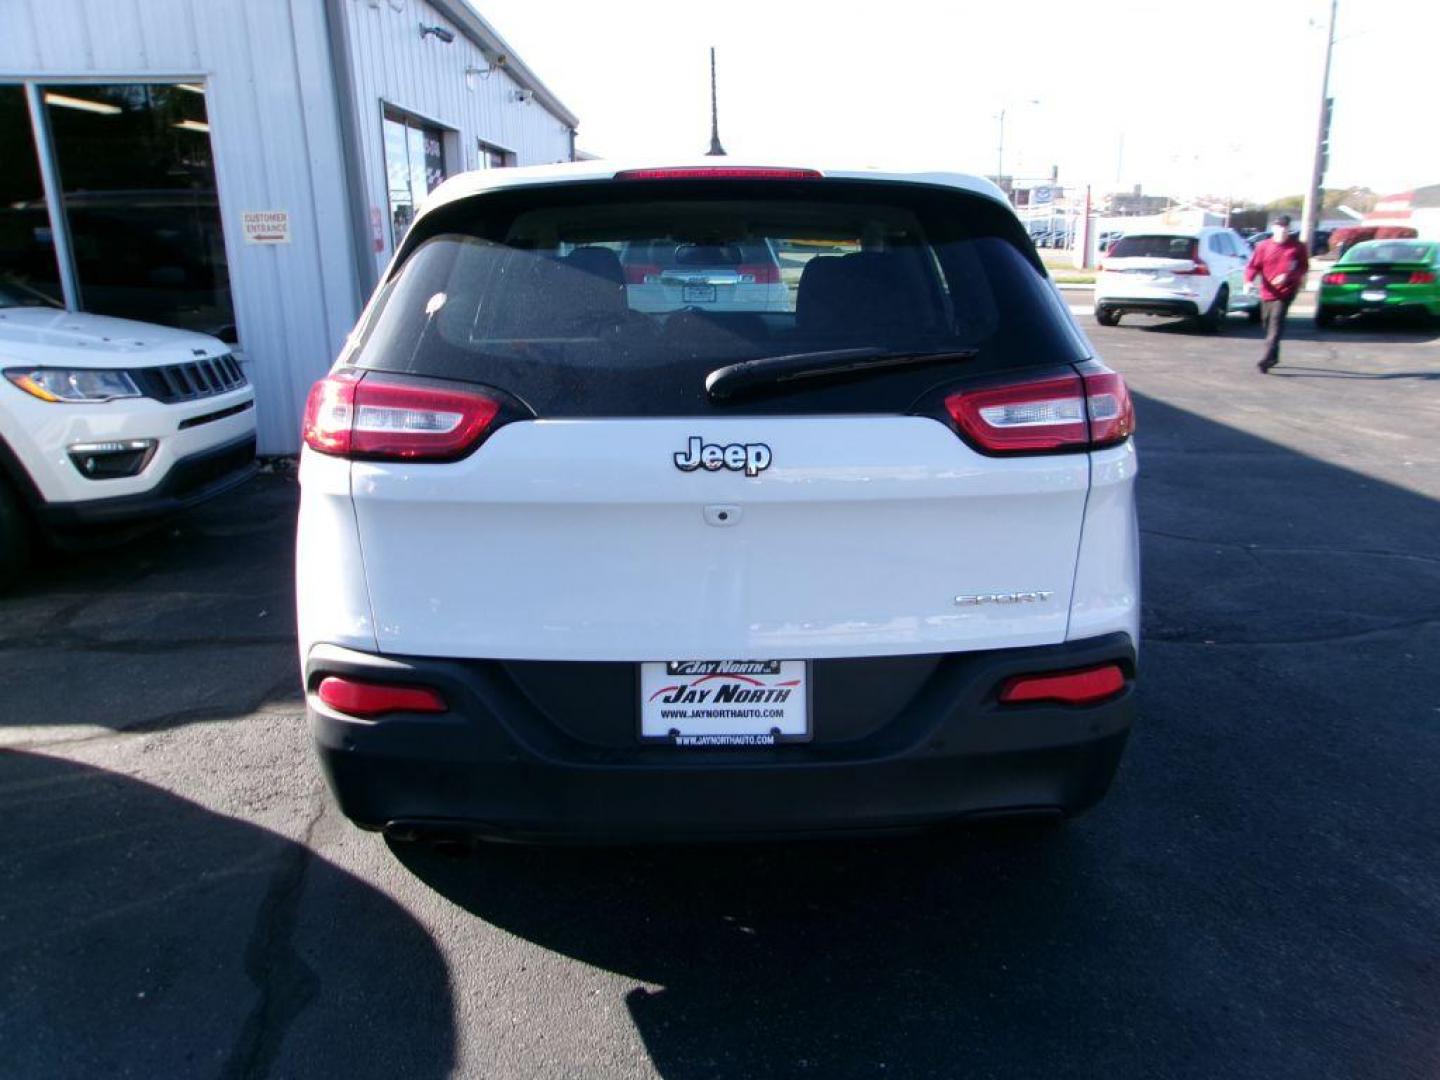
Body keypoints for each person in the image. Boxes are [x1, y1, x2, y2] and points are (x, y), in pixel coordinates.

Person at [1244, 214, 1310, 373]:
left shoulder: (1297, 247)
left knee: (1275, 322)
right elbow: (1253, 266)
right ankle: (1274, 355)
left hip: (1286, 290)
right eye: (1279, 227)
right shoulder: (1263, 246)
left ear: (1289, 229)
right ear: (1273, 228)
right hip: (1267, 291)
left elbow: (1303, 267)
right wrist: (1248, 281)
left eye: (1285, 227)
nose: (1282, 230)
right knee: (1266, 322)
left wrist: (1288, 276)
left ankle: (1266, 360)